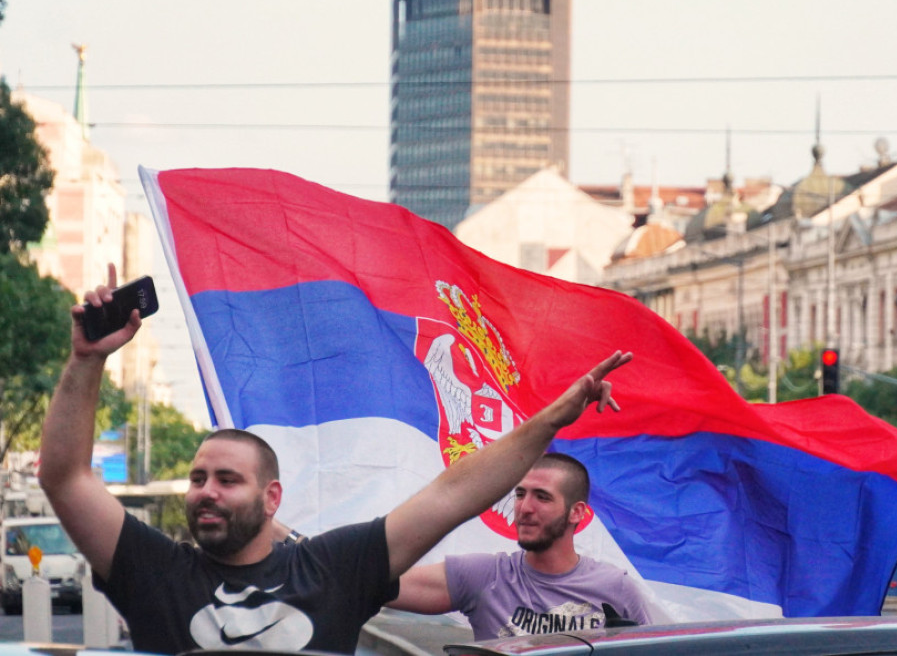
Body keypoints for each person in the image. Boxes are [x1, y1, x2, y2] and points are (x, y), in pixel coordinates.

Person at [38, 265, 632, 655]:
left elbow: (455, 494)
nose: (206, 491)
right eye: (198, 479)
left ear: (273, 498)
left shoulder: (333, 568)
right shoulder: (156, 570)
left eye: (227, 479)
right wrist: (86, 361)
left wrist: (553, 417)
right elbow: (65, 477)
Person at [383, 452, 655, 639]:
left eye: (542, 497)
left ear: (576, 513)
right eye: (520, 494)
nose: (524, 508)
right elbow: (374, 584)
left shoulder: (615, 588)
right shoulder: (485, 576)